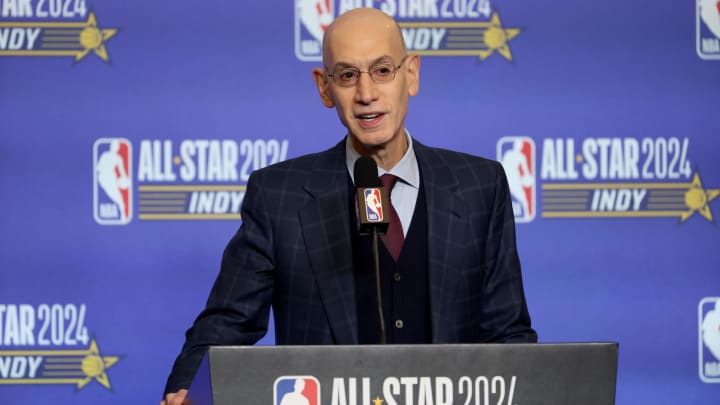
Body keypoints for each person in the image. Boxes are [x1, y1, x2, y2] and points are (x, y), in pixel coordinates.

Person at [161, 7, 537, 405]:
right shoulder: (279, 196)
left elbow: (508, 334)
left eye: (382, 71)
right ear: (324, 88)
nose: (366, 94)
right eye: (347, 75)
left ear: (411, 74)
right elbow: (227, 323)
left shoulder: (479, 185)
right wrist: (187, 388)